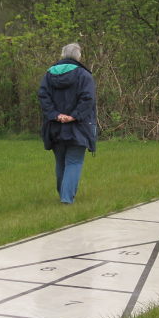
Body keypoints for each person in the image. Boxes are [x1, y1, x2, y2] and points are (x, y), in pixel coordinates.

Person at [37, 43, 97, 204]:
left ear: (63, 54)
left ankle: (64, 193)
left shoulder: (48, 75)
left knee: (61, 161)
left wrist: (56, 115)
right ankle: (66, 197)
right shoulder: (84, 75)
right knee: (74, 161)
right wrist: (73, 116)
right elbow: (88, 99)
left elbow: (43, 97)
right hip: (79, 126)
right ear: (79, 56)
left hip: (55, 126)